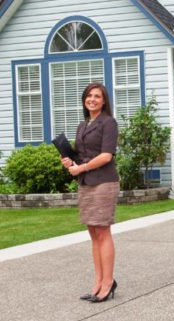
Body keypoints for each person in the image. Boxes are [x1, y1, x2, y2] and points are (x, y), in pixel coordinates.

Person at [61, 82, 121, 303]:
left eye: (97, 96)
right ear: (84, 100)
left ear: (104, 101)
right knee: (93, 233)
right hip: (86, 182)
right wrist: (69, 160)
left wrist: (82, 167)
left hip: (104, 183)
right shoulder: (83, 124)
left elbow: (106, 156)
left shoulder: (109, 123)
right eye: (89, 96)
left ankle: (108, 282)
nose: (92, 99)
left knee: (103, 232)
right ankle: (98, 282)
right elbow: (82, 156)